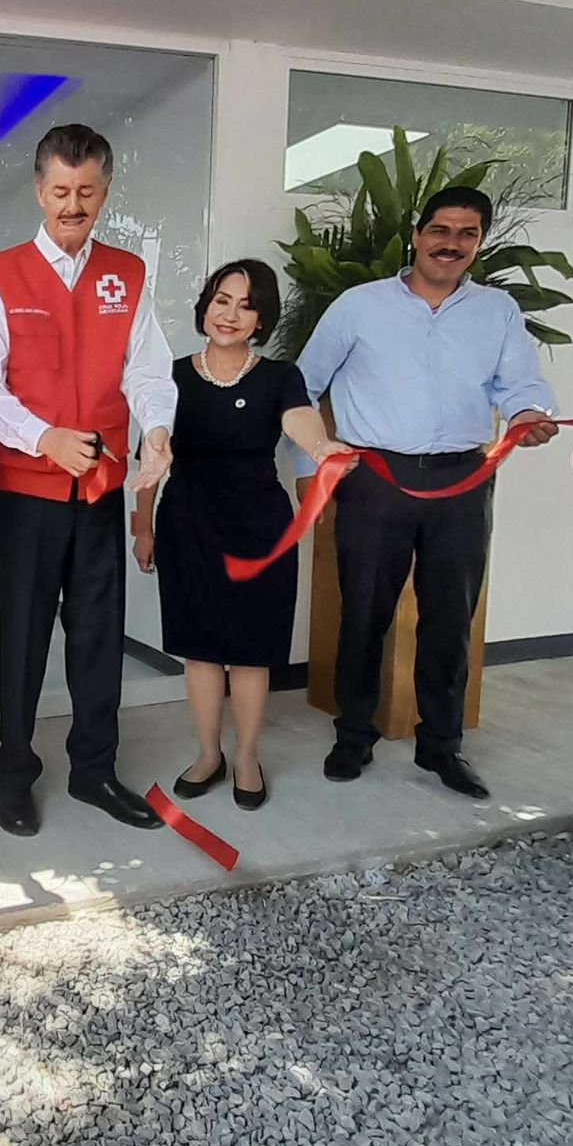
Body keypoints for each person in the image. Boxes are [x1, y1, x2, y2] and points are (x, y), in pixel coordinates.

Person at [297, 185, 560, 800]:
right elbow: (301, 387)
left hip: (462, 482)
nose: (451, 244)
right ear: (417, 235)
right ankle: (353, 735)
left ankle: (441, 746)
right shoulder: (359, 306)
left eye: (467, 234)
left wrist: (528, 415)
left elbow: (519, 383)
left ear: (480, 243)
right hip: (376, 480)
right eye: (441, 230)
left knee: (451, 618)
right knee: (363, 611)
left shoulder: (496, 312)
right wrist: (313, 469)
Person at [0, 123, 174, 837]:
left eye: (87, 192)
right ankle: (15, 771)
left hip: (101, 487)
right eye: (60, 191)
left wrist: (157, 429)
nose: (72, 205)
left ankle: (94, 769)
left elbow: (146, 370)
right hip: (26, 488)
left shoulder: (128, 274)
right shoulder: (2, 273)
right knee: (23, 636)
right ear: (39, 190)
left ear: (105, 192)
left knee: (97, 634)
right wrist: (44, 436)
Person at [132, 260, 349, 808]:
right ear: (205, 305)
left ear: (261, 319)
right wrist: (142, 525)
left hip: (258, 527)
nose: (230, 314)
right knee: (201, 651)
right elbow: (150, 454)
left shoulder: (279, 378)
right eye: (221, 300)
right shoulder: (172, 376)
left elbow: (299, 420)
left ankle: (248, 754)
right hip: (187, 523)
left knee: (252, 652)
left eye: (246, 305)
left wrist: (322, 448)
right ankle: (209, 753)